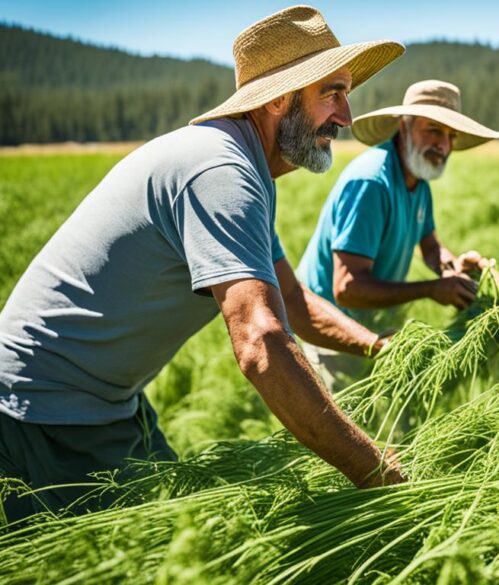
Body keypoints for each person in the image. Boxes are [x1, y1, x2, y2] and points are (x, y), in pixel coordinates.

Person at [0, 5, 407, 522]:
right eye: (332, 92)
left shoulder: (245, 170)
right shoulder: (219, 170)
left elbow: (296, 305)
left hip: (108, 402)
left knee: (180, 537)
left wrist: (380, 348)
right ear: (278, 97)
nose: (346, 117)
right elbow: (261, 344)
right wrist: (375, 470)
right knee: (142, 554)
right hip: (43, 406)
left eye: (347, 94)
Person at [297, 79, 499, 387]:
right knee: (344, 424)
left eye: (450, 135)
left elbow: (430, 246)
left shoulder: (418, 182)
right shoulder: (372, 183)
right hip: (332, 327)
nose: (443, 145)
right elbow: (347, 287)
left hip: (376, 322)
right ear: (404, 126)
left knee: (386, 422)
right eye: (433, 129)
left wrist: (453, 266)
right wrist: (432, 289)